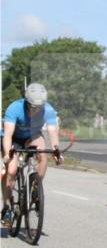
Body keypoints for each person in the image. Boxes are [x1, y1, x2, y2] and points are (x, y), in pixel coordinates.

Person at [2, 83, 62, 225]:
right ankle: (6, 207)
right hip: (14, 138)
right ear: (26, 102)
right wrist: (6, 154)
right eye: (32, 107)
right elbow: (7, 134)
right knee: (11, 171)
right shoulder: (15, 108)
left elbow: (52, 131)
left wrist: (56, 151)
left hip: (32, 136)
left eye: (39, 108)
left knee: (43, 155)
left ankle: (35, 185)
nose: (35, 111)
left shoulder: (48, 109)